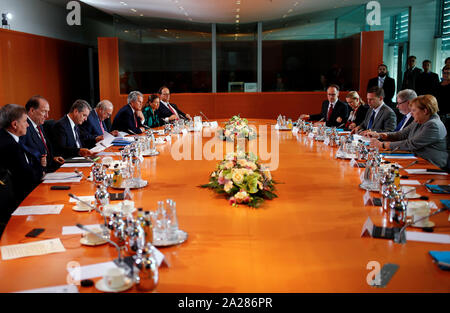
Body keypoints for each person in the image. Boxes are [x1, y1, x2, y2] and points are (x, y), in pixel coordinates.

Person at [367, 95, 448, 169]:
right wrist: (380, 135)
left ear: (425, 111)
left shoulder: (433, 125)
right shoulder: (419, 120)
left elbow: (411, 144)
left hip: (432, 166)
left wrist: (383, 145)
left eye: (414, 110)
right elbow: (401, 134)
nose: (411, 113)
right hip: (416, 160)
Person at [0, 104, 44, 211]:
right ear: (15, 124)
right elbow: (26, 178)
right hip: (16, 203)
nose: (28, 125)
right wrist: (41, 170)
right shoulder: (10, 146)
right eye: (25, 121)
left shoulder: (6, 137)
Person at [20, 95, 64, 173]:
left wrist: (52, 158)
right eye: (44, 111)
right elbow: (26, 158)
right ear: (32, 111)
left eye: (48, 112)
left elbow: (43, 150)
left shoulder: (39, 125)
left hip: (50, 169)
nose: (47, 116)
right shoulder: (24, 129)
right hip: (39, 174)